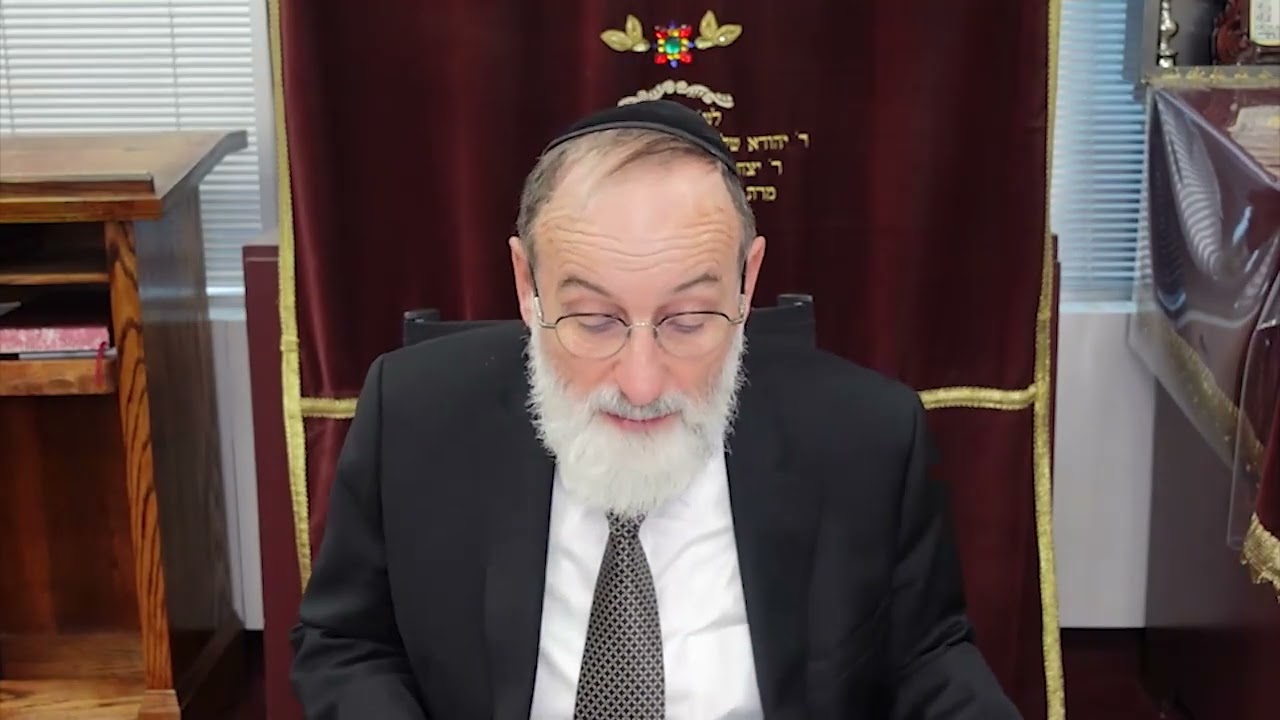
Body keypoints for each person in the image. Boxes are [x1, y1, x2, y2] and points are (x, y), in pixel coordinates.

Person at [290, 99, 1021, 719]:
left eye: (688, 321)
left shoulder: (868, 438)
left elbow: (929, 661)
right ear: (526, 283)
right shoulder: (416, 417)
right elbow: (348, 643)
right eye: (594, 321)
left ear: (746, 282)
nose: (641, 384)